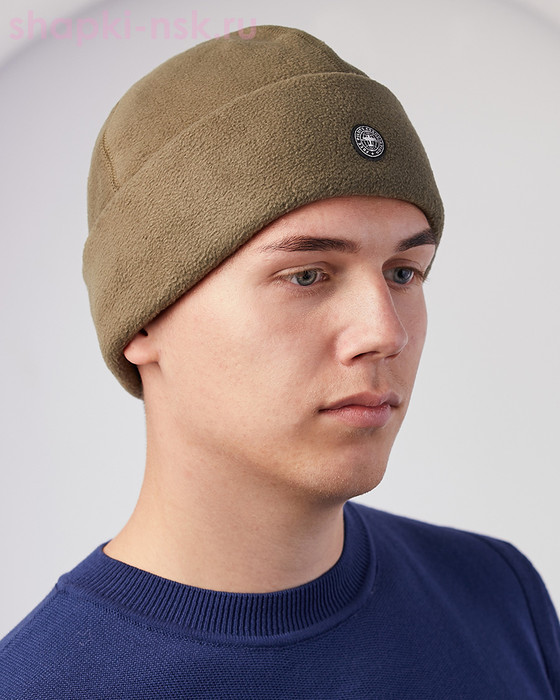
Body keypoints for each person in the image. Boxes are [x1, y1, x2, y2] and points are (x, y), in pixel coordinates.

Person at [1, 24, 558, 700]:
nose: (384, 332)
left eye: (404, 272)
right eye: (307, 275)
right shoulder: (44, 685)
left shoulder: (500, 597)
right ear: (144, 319)